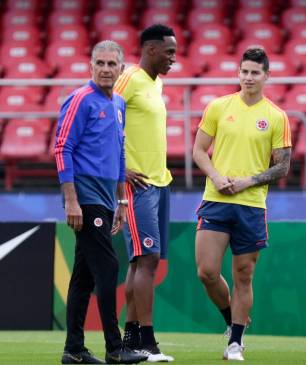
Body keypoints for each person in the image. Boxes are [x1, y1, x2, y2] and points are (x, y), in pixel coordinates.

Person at [192, 47, 292, 361]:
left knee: (243, 275)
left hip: (251, 205)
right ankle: (231, 319)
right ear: (238, 73)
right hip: (216, 199)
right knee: (207, 272)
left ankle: (235, 341)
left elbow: (282, 167)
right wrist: (216, 176)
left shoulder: (276, 116)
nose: (248, 78)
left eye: (255, 73)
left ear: (266, 76)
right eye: (244, 71)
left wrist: (249, 181)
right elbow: (198, 151)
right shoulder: (219, 107)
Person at [55, 40, 147, 364]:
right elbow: (62, 148)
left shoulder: (120, 103)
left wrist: (122, 199)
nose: (106, 69)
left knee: (83, 276)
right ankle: (115, 348)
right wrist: (71, 201)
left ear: (121, 69)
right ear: (90, 66)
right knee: (107, 267)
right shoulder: (80, 99)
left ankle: (74, 350)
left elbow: (119, 154)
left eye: (112, 64)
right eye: (101, 63)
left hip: (107, 199)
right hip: (86, 197)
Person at [113, 24, 176, 362]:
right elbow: (107, 119)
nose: (174, 58)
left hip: (159, 181)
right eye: (169, 52)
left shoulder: (157, 82)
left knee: (141, 260)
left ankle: (132, 339)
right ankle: (146, 343)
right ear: (151, 49)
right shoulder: (129, 79)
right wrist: (119, 169)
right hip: (137, 186)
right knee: (146, 259)